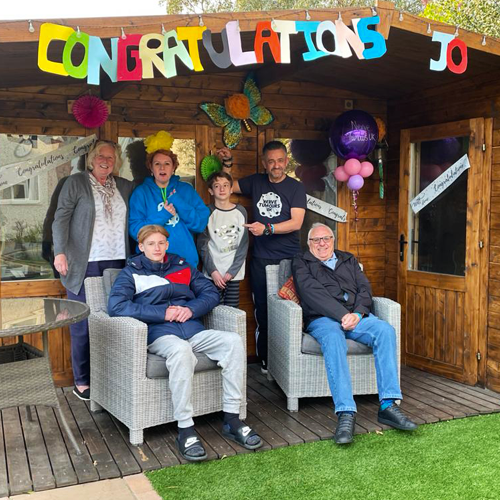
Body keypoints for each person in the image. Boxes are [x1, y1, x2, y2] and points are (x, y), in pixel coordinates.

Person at [107, 224, 262, 461]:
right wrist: (163, 313)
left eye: (161, 243)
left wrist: (190, 309)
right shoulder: (131, 273)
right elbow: (116, 306)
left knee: (232, 341)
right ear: (141, 247)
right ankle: (186, 429)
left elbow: (210, 293)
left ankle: (232, 419)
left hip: (193, 330)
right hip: (161, 335)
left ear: (167, 244)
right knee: (181, 350)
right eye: (151, 244)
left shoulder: (182, 266)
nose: (157, 248)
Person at [292, 223, 418, 445]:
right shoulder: (301, 262)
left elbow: (364, 289)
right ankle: (346, 412)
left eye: (326, 238)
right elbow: (311, 293)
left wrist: (358, 314)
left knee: (385, 331)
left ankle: (388, 405)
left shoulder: (348, 259)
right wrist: (342, 315)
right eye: (316, 240)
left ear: (333, 240)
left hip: (356, 317)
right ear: (309, 243)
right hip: (323, 319)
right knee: (333, 338)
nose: (322, 243)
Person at [52, 140, 134, 401]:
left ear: (116, 161)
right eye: (101, 156)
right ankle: (82, 381)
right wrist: (59, 252)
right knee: (82, 324)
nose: (105, 161)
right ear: (91, 158)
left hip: (118, 263)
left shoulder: (124, 186)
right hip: (84, 264)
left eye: (110, 157)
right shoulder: (76, 183)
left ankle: (110, 378)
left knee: (115, 322)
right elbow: (60, 218)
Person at [218, 141, 307, 372]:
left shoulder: (296, 188)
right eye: (271, 161)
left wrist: (267, 228)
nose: (276, 165)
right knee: (264, 311)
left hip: (290, 259)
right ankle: (266, 361)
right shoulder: (256, 181)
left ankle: (290, 362)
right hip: (261, 259)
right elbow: (227, 186)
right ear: (264, 163)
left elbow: (296, 223)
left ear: (286, 161)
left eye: (280, 160)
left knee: (292, 310)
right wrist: (227, 163)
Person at [129, 131, 209, 267]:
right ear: (151, 168)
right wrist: (163, 215)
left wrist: (177, 201)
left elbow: (200, 224)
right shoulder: (141, 193)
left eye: (167, 163)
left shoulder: (186, 190)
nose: (162, 167)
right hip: (152, 264)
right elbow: (136, 231)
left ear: (173, 168)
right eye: (157, 164)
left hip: (184, 261)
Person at [197, 171, 249, 308]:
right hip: (213, 273)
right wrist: (213, 271)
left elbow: (243, 245)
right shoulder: (207, 212)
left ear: (231, 189)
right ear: (210, 191)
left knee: (232, 310)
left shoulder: (240, 212)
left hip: (233, 273)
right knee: (215, 310)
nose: (222, 189)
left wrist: (232, 272)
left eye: (226, 185)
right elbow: (202, 245)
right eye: (217, 186)